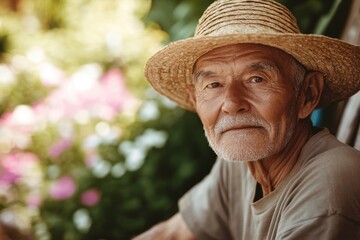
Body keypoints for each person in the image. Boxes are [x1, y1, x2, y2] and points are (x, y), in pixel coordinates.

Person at [135, 0, 360, 239]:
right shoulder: (242, 164)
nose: (232, 103)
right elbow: (171, 234)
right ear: (196, 101)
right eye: (213, 85)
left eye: (256, 79)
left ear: (307, 95)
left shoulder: (329, 187)